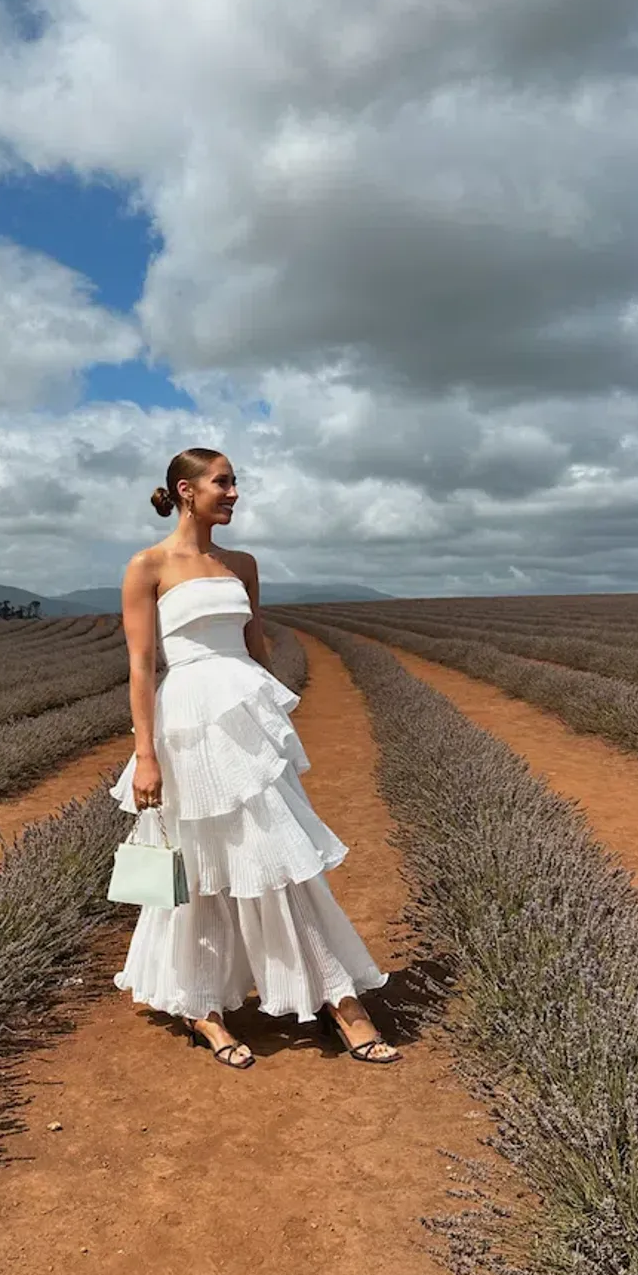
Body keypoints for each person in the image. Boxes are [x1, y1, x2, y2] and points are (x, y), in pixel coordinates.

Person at [111, 446, 398, 1069]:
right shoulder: (148, 566)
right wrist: (145, 755)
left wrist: (277, 725)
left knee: (278, 858)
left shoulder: (241, 564)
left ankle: (337, 998)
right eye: (223, 483)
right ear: (186, 491)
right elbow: (140, 666)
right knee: (201, 868)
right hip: (186, 722)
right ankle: (202, 1007)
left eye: (236, 482)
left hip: (245, 721)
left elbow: (255, 647)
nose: (234, 493)